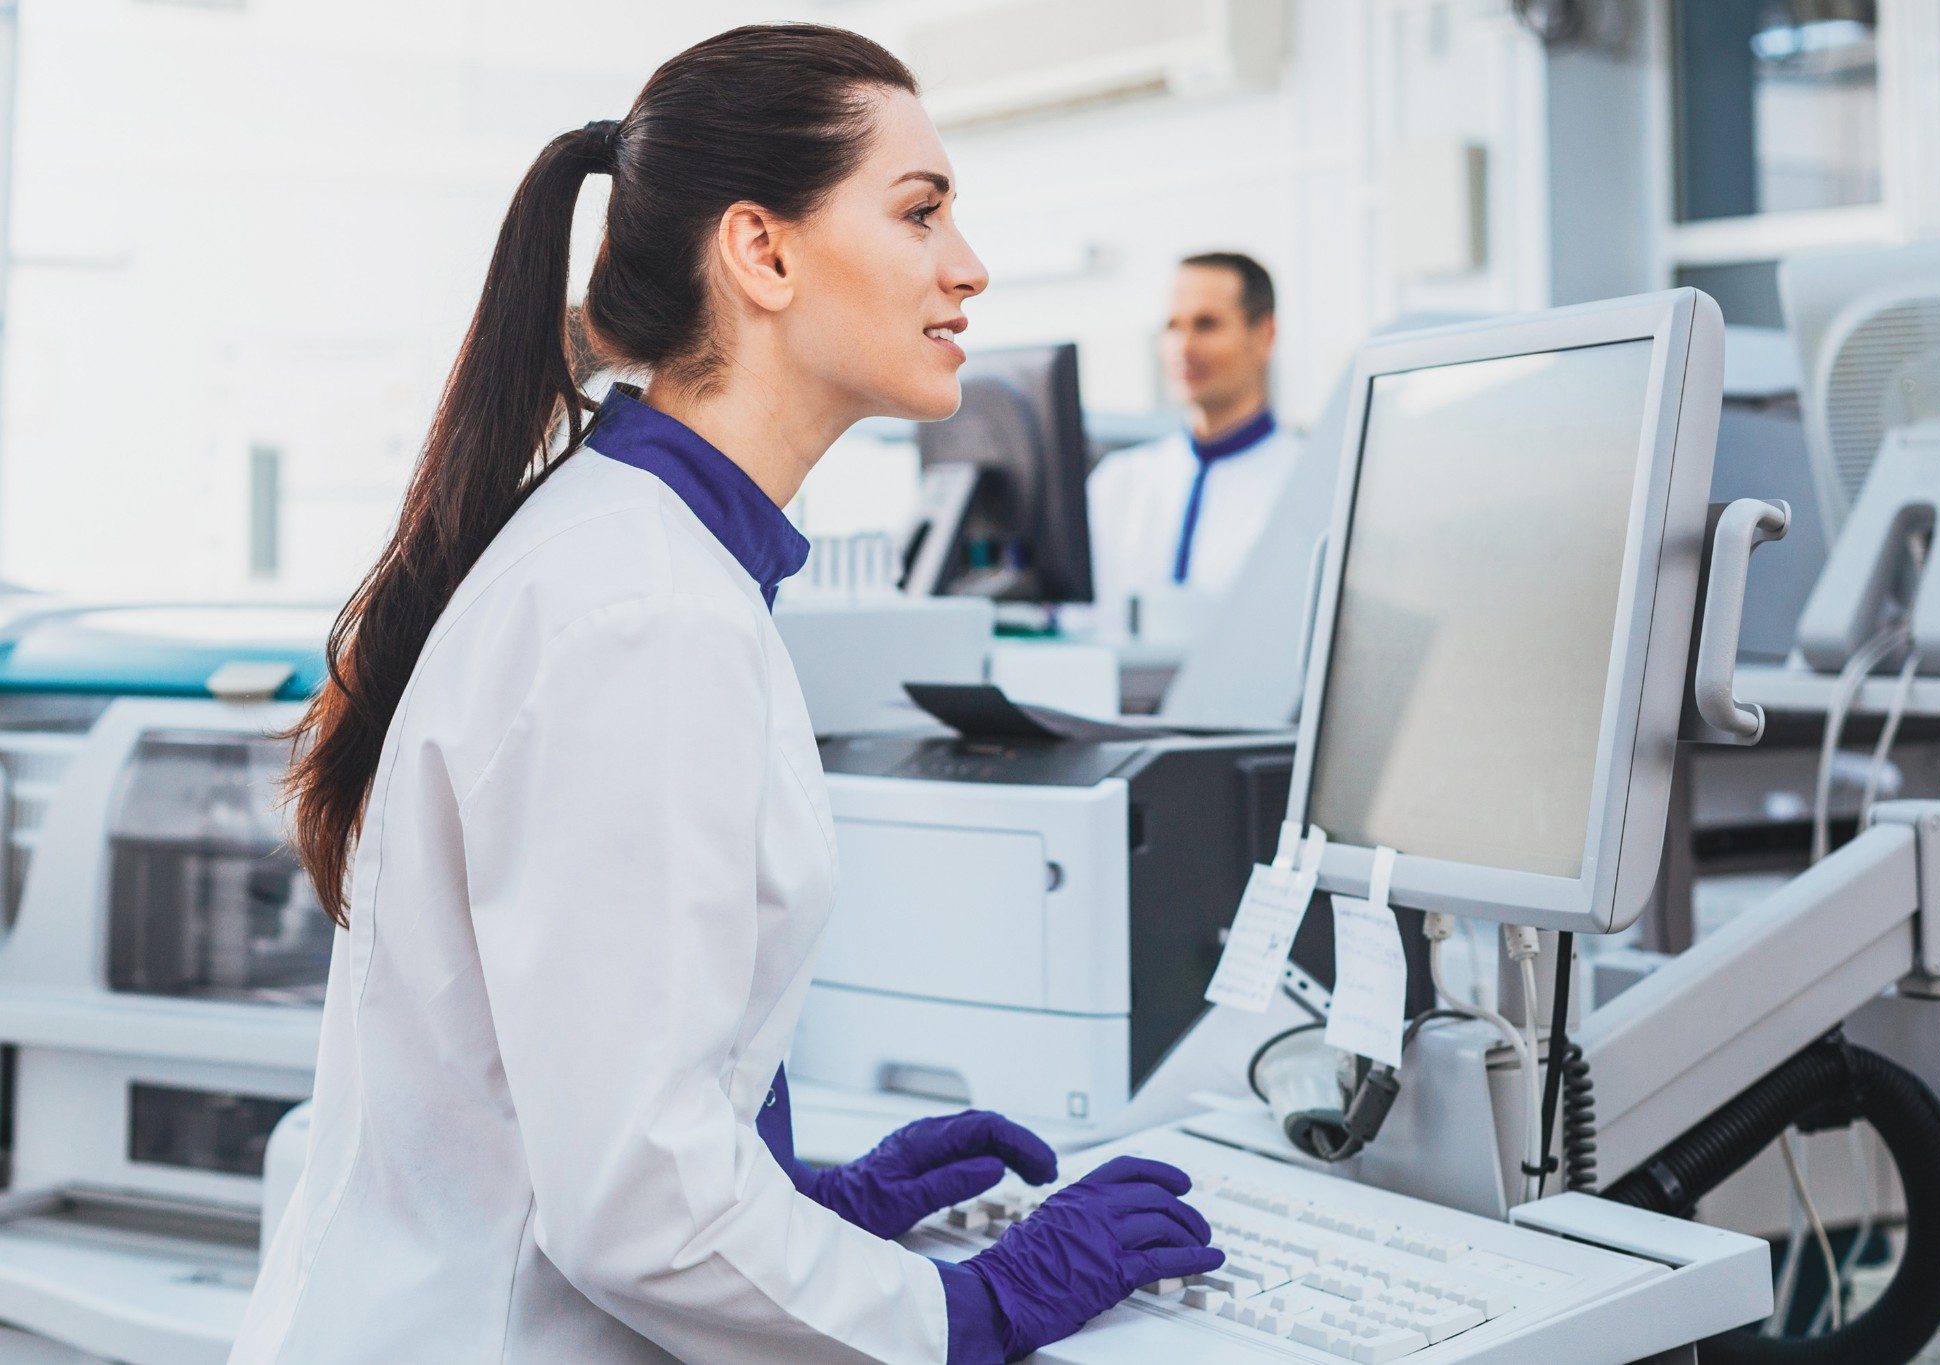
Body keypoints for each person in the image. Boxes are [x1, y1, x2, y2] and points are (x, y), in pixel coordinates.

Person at [236, 25, 1221, 1365]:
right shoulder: (642, 612)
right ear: (761, 254)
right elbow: (635, 1204)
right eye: (921, 211)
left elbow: (590, 1105)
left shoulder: (640, 556)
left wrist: (807, 1210)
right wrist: (966, 1308)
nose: (968, 265)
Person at [1087, 251, 1300, 630]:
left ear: (1264, 335)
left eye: (1206, 324)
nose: (1182, 348)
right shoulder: (1117, 482)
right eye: (1172, 326)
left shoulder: (1308, 480)